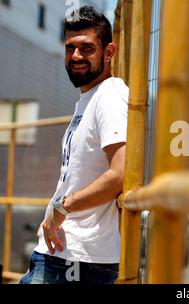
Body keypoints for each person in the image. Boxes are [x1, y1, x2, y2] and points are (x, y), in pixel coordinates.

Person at [19, 6, 128, 284]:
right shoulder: (88, 99)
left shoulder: (111, 96)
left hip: (78, 260)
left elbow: (121, 173)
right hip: (64, 253)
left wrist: (62, 209)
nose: (76, 56)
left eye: (87, 48)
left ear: (109, 52)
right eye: (70, 48)